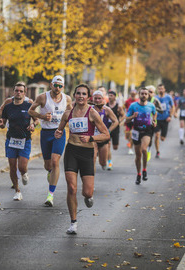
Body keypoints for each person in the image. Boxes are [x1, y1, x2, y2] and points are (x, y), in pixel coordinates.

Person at [55, 84, 110, 235]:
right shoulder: (68, 114)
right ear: (74, 95)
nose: (80, 96)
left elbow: (106, 134)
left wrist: (91, 137)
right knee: (72, 188)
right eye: (78, 93)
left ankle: (88, 196)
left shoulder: (92, 114)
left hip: (87, 153)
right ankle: (73, 222)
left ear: (88, 97)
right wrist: (58, 133)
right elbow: (59, 130)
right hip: (72, 150)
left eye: (83, 94)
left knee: (87, 192)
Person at [28, 75, 72, 207]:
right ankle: (49, 172)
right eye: (55, 85)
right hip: (46, 133)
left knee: (55, 161)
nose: (57, 88)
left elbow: (71, 115)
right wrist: (42, 116)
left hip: (59, 132)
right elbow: (31, 111)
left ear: (62, 87)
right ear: (51, 85)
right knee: (48, 165)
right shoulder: (42, 97)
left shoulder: (67, 99)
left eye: (60, 86)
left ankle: (50, 195)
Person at [0, 82, 38, 201]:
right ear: (13, 92)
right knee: (12, 167)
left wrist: (33, 125)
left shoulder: (29, 106)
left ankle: (24, 173)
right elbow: (3, 124)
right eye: (16, 90)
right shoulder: (8, 107)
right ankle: (17, 191)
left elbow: (36, 120)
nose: (18, 93)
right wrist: (0, 124)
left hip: (25, 140)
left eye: (21, 91)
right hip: (11, 140)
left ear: (24, 93)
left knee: (22, 167)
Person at [125, 88, 157, 184]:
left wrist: (154, 121)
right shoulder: (133, 106)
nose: (144, 95)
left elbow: (155, 114)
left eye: (145, 94)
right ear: (139, 95)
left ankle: (144, 170)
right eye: (142, 93)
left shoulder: (151, 106)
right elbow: (126, 120)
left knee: (144, 149)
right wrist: (132, 117)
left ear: (148, 96)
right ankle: (138, 174)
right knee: (138, 155)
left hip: (147, 130)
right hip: (136, 131)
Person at [92, 90, 118, 171]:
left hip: (103, 137)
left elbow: (116, 121)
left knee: (103, 162)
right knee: (92, 160)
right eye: (95, 98)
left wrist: (108, 131)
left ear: (103, 99)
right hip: (92, 137)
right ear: (92, 99)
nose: (97, 100)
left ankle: (103, 161)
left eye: (99, 98)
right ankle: (90, 178)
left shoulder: (107, 110)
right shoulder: (89, 109)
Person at [106, 90, 125, 170]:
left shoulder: (118, 107)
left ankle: (109, 158)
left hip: (115, 127)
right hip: (107, 127)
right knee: (108, 145)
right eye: (109, 95)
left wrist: (119, 121)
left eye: (111, 95)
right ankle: (109, 161)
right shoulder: (105, 106)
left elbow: (123, 115)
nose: (110, 97)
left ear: (115, 97)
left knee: (115, 147)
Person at [154, 84, 174, 158]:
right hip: (157, 119)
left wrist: (170, 116)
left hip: (165, 119)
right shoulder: (155, 98)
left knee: (162, 138)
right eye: (159, 89)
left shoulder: (168, 97)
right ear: (157, 90)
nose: (161, 90)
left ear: (164, 89)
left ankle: (161, 140)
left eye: (162, 89)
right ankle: (157, 151)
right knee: (156, 135)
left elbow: (173, 107)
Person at [146, 85, 163, 161]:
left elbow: (161, 110)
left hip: (153, 122)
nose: (150, 93)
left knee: (155, 136)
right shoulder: (143, 100)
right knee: (147, 138)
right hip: (144, 121)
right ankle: (147, 150)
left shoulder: (155, 100)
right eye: (148, 92)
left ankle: (151, 151)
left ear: (153, 93)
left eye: (151, 92)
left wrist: (154, 108)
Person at [124, 89, 139, 155]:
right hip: (128, 119)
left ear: (136, 94)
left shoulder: (138, 101)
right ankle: (129, 141)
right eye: (132, 94)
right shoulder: (127, 101)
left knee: (131, 134)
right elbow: (123, 107)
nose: (133, 95)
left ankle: (130, 148)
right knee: (127, 135)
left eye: (134, 94)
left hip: (135, 120)